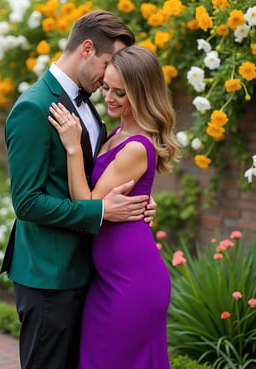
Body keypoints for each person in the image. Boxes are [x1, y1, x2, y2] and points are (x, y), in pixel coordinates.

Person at [0, 10, 157, 369]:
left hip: (86, 272)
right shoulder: (33, 107)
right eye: (107, 63)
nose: (109, 77)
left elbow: (97, 177)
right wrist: (102, 211)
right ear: (87, 49)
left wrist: (138, 201)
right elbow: (27, 202)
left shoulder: (91, 108)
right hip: (49, 277)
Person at [48, 45, 181, 369]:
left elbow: (87, 205)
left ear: (141, 94)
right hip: (107, 280)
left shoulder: (137, 146)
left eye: (120, 92)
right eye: (106, 87)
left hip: (132, 283)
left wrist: (73, 150)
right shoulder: (120, 131)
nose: (108, 97)